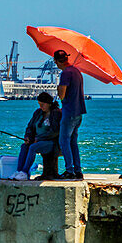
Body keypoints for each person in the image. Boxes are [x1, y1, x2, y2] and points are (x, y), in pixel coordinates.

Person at [53, 49, 86, 180]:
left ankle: (69, 170)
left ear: (56, 61)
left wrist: (58, 88)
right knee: (73, 142)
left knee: (64, 141)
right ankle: (77, 170)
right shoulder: (77, 71)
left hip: (69, 111)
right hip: (79, 111)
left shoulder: (66, 73)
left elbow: (62, 95)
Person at [14, 92, 61, 180]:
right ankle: (19, 171)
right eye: (39, 104)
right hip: (37, 140)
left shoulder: (55, 113)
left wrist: (39, 138)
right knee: (24, 146)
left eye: (42, 105)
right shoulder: (38, 112)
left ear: (48, 103)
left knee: (33, 147)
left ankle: (24, 172)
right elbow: (30, 127)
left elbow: (55, 131)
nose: (41, 107)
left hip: (51, 143)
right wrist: (28, 136)